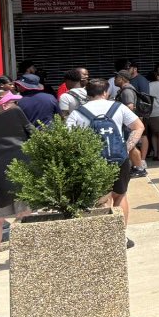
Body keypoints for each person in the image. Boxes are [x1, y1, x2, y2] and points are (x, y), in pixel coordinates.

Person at [66, 78, 145, 249]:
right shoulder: (118, 107)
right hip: (120, 158)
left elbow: (68, 140)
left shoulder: (78, 113)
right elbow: (138, 127)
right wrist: (126, 147)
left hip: (94, 161)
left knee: (100, 198)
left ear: (87, 94)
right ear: (106, 92)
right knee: (120, 195)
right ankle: (121, 237)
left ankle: (103, 237)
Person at [0, 90, 32, 272]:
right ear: (4, 105)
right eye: (13, 103)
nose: (17, 106)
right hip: (19, 175)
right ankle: (24, 257)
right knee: (24, 216)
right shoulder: (16, 125)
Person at [114, 69, 149, 178]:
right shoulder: (125, 89)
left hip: (128, 124)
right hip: (129, 123)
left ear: (123, 79)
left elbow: (129, 106)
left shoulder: (127, 91)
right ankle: (136, 167)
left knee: (131, 145)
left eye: (117, 78)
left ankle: (139, 168)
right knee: (130, 145)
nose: (115, 80)